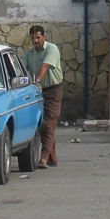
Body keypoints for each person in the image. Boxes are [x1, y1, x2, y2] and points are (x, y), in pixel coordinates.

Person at [21, 24, 63, 167]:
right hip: (37, 92)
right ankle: (52, 157)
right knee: (42, 124)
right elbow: (22, 69)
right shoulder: (30, 54)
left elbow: (45, 66)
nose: (36, 41)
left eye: (38, 38)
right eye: (33, 38)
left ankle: (43, 158)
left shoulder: (52, 49)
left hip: (53, 90)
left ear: (43, 37)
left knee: (48, 123)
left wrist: (37, 81)